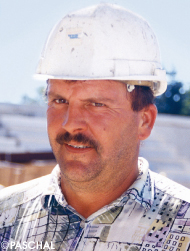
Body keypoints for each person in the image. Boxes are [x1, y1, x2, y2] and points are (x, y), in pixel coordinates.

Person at [0, 3, 190, 251]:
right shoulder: (6, 216)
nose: (69, 123)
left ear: (145, 121)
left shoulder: (183, 224)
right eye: (59, 101)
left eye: (96, 104)